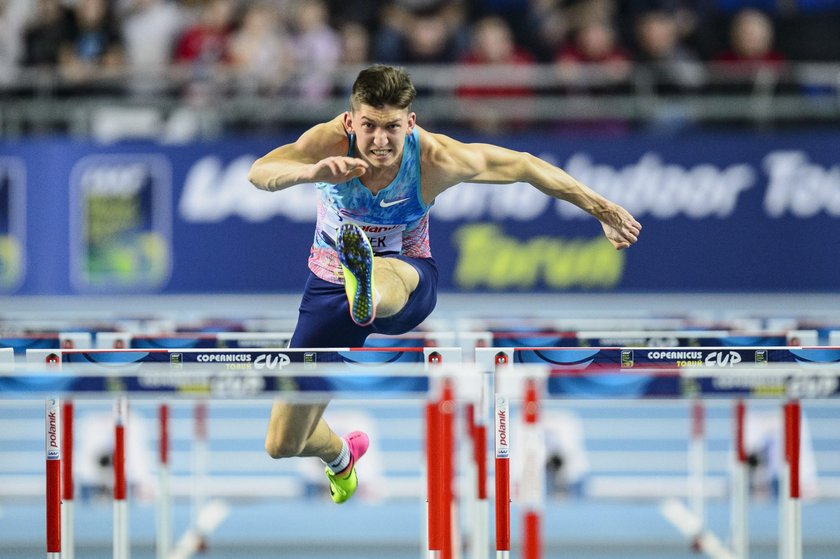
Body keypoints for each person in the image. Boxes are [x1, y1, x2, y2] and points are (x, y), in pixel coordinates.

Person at [247, 64, 641, 504]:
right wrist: (310, 172)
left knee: (381, 274)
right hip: (327, 288)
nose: (380, 140)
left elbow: (525, 166)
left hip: (409, 280)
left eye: (392, 128)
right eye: (370, 126)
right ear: (350, 120)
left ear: (410, 123)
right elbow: (260, 172)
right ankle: (342, 456)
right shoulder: (328, 140)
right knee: (282, 443)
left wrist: (602, 209)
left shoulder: (436, 158)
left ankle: (367, 289)